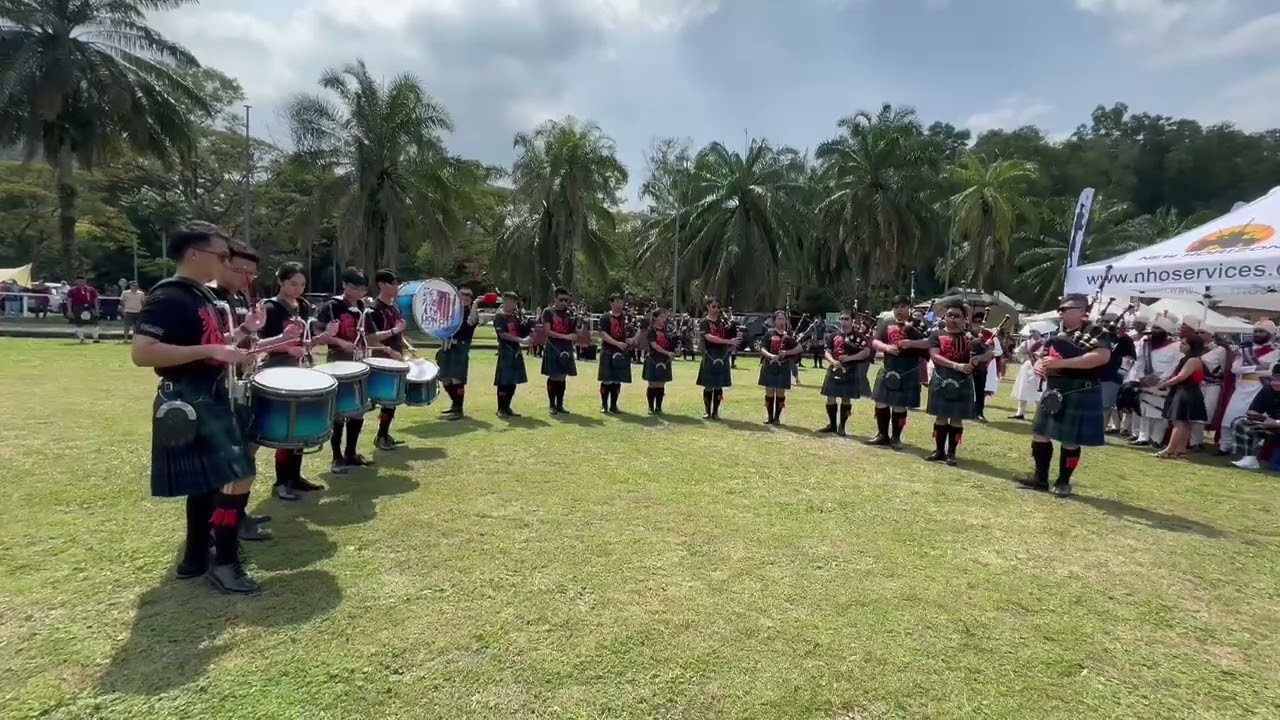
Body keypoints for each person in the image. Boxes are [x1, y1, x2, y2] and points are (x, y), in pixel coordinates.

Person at [130, 221, 261, 594]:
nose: (226, 262)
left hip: (209, 393)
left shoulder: (202, 295)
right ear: (192, 254)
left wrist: (241, 337)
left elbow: (215, 342)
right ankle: (224, 561)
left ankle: (196, 557)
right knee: (240, 474)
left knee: (207, 485)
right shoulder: (170, 296)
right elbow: (142, 353)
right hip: (192, 397)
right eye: (221, 255)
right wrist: (211, 351)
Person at [1018, 294, 1112, 497]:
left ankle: (1063, 481)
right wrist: (1039, 364)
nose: (1061, 313)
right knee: (1040, 434)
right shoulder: (1058, 332)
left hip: (1080, 389)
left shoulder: (1096, 331)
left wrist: (1061, 364)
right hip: (1055, 389)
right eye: (1060, 309)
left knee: (1070, 439)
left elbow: (1101, 357)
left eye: (1065, 309)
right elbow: (1044, 355)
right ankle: (1040, 478)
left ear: (1081, 311)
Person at [258, 262, 327, 499]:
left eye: (302, 284)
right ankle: (281, 482)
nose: (298, 288)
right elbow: (261, 344)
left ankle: (295, 477)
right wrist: (287, 349)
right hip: (277, 370)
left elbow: (306, 341)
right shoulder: (270, 307)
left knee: (299, 426)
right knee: (285, 428)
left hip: (300, 370)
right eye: (293, 283)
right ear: (280, 281)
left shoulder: (304, 306)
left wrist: (322, 339)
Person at [317, 268, 381, 471]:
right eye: (355, 288)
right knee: (339, 411)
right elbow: (317, 331)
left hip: (359, 361)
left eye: (363, 289)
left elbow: (370, 335)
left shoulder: (363, 307)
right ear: (345, 285)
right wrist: (339, 342)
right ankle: (336, 457)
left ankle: (351, 452)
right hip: (338, 361)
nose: (360, 292)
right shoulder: (332, 306)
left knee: (358, 409)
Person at [926, 301, 985, 465]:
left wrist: (977, 358)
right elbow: (935, 356)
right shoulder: (936, 335)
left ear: (965, 319)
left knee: (957, 418)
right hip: (942, 378)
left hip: (963, 381)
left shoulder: (972, 337)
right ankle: (939, 451)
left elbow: (988, 353)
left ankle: (951, 453)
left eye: (956, 316)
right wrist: (956, 365)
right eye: (949, 315)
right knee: (941, 417)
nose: (952, 319)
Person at [868, 295, 930, 448]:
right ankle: (882, 435)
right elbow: (875, 341)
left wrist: (911, 343)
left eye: (902, 306)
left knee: (899, 405)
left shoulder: (919, 325)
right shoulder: (886, 323)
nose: (899, 310)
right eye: (896, 307)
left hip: (908, 369)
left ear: (909, 308)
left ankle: (896, 437)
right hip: (889, 366)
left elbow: (929, 343)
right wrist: (886, 348)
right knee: (880, 401)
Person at [1214, 320, 1278, 457]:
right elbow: (1235, 368)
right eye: (1256, 331)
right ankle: (1224, 446)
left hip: (1260, 389)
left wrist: (1250, 370)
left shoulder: (1275, 352)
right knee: (1229, 418)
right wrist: (1256, 368)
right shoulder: (1246, 349)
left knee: (1252, 420)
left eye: (1261, 331)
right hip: (1241, 387)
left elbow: (1272, 372)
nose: (1258, 334)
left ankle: (1246, 450)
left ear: (1270, 334)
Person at [368, 269, 411, 448]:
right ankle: (380, 437)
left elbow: (399, 334)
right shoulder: (373, 310)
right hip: (381, 359)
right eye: (392, 283)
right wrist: (389, 347)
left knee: (392, 400)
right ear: (381, 285)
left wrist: (408, 347)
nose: (396, 287)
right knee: (384, 399)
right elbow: (370, 338)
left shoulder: (394, 308)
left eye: (396, 283)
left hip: (396, 356)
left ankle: (383, 435)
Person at [1127, 315, 1181, 447]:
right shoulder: (1145, 342)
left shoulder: (1176, 346)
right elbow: (1139, 361)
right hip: (1145, 382)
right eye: (1154, 329)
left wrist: (1162, 379)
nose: (1154, 332)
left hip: (1163, 383)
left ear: (1165, 332)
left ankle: (1156, 439)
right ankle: (1142, 437)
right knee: (1144, 411)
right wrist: (1140, 377)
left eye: (1158, 329)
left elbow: (1176, 364)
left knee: (1159, 414)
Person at [818, 310, 872, 436]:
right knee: (830, 397)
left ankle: (842, 426)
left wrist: (849, 358)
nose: (843, 322)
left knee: (846, 399)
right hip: (834, 369)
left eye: (846, 319)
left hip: (850, 370)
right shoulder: (833, 336)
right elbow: (827, 351)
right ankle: (832, 424)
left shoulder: (858, 336)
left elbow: (866, 352)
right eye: (841, 319)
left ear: (852, 321)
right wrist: (833, 361)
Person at [1154, 334, 1207, 459]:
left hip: (1186, 391)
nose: (1181, 345)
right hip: (1187, 391)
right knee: (1185, 423)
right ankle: (1181, 449)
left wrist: (1164, 384)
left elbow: (1181, 376)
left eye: (1184, 344)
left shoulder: (1193, 360)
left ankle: (1169, 449)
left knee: (1179, 422)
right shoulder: (1189, 359)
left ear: (1191, 346)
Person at [438, 286, 479, 420]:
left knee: (457, 379)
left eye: (467, 299)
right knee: (445, 378)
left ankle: (458, 409)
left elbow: (471, 322)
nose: (464, 301)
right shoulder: (451, 312)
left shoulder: (471, 313)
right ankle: (454, 405)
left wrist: (475, 305)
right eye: (462, 298)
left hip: (461, 347)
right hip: (447, 347)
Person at [1229, 366, 1280, 470]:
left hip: (1276, 424)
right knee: (1240, 422)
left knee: (1274, 467)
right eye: (1274, 379)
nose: (1276, 383)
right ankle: (1249, 459)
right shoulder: (1267, 390)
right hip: (1273, 427)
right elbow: (1251, 411)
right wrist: (1259, 419)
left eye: (1279, 379)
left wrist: (1275, 422)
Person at [697, 297, 740, 420]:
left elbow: (733, 335)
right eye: (713, 306)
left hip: (723, 353)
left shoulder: (724, 322)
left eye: (718, 307)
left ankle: (715, 412)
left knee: (719, 385)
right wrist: (728, 341)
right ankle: (707, 411)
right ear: (708, 307)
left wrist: (735, 328)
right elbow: (709, 337)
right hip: (710, 354)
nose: (716, 309)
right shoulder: (704, 323)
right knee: (708, 385)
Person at [758, 310, 802, 425]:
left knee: (780, 393)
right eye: (779, 319)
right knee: (769, 393)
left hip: (783, 367)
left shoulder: (789, 336)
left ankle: (777, 418)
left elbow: (799, 348)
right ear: (774, 321)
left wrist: (787, 353)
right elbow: (762, 349)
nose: (782, 321)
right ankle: (770, 417)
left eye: (783, 319)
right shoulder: (769, 334)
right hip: (770, 366)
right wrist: (771, 356)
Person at [540, 287, 579, 415]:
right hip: (553, 346)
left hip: (566, 347)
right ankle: (552, 405)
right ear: (555, 298)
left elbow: (574, 331)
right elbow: (548, 331)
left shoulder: (569, 313)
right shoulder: (548, 312)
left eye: (566, 300)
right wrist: (566, 337)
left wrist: (581, 323)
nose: (564, 302)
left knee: (562, 377)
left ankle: (560, 404)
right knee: (553, 375)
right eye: (561, 299)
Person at [1187, 320, 1224, 451]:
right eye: (1196, 332)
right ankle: (1194, 441)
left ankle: (1198, 441)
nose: (1198, 334)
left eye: (1202, 332)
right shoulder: (1193, 348)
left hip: (1212, 385)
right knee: (1192, 413)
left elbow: (1223, 370)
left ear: (1211, 335)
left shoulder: (1219, 350)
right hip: (1195, 385)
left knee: (1205, 413)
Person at [493, 292, 530, 418]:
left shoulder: (516, 316)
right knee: (504, 382)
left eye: (514, 302)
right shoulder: (499, 317)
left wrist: (525, 322)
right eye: (510, 301)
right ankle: (500, 408)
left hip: (516, 351)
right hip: (506, 350)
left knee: (513, 382)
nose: (512, 304)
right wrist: (520, 340)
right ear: (505, 301)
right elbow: (503, 334)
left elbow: (524, 331)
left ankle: (507, 407)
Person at [597, 293, 633, 413]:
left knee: (617, 379)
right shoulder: (605, 317)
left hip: (621, 352)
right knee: (606, 379)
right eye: (617, 301)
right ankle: (604, 405)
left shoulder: (627, 317)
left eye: (621, 302)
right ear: (611, 302)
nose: (619, 304)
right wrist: (617, 343)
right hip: (608, 350)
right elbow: (603, 334)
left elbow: (632, 332)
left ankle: (614, 405)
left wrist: (631, 339)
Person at [642, 308, 677, 414]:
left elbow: (670, 344)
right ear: (655, 318)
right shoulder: (651, 330)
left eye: (665, 316)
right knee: (653, 384)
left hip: (664, 360)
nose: (664, 319)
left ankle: (658, 407)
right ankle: (650, 407)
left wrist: (675, 350)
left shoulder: (668, 330)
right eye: (661, 316)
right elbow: (654, 345)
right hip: (653, 358)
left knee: (661, 384)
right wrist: (667, 353)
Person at [1009, 329, 1044, 419]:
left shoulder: (1045, 343)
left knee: (1039, 389)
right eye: (1031, 332)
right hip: (1028, 366)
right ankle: (1020, 412)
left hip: (1040, 367)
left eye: (1034, 331)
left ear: (1039, 332)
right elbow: (1018, 352)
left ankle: (1040, 413)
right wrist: (1025, 359)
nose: (1032, 334)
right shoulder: (1026, 343)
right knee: (1023, 388)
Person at [969, 310, 994, 422]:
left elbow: (993, 352)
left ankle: (979, 412)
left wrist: (980, 358)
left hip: (981, 367)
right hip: (966, 366)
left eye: (981, 322)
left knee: (980, 390)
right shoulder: (966, 332)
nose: (978, 324)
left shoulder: (989, 335)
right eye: (976, 321)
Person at [65, 275, 101, 343]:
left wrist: (97, 309)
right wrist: (69, 310)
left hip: (89, 307)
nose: (81, 283)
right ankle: (82, 338)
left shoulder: (91, 289)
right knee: (79, 323)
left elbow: (95, 299)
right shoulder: (72, 290)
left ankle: (96, 337)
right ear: (76, 281)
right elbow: (69, 300)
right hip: (78, 307)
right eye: (79, 281)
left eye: (83, 281)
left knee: (94, 323)